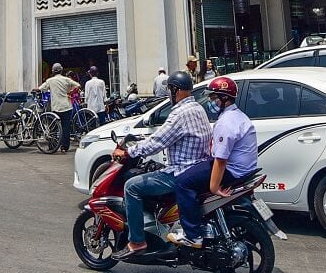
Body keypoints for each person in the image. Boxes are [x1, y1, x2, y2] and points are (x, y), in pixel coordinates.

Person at [111, 70, 212, 261]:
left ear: (176, 90)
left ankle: (137, 242)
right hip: (198, 168)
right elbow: (162, 136)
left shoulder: (180, 113)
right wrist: (141, 141)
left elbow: (157, 141)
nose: (168, 94)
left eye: (170, 90)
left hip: (181, 171)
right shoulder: (197, 108)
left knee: (131, 186)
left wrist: (127, 152)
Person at [166, 75, 258, 248]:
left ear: (224, 98)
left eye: (213, 98)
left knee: (183, 182)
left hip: (232, 170)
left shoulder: (226, 123)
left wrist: (214, 188)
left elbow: (221, 160)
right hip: (244, 169)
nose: (210, 102)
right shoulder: (238, 116)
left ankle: (192, 235)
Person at [36, 63, 81, 153]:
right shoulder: (66, 79)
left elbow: (40, 89)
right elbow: (78, 85)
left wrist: (35, 89)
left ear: (53, 71)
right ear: (61, 70)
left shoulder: (50, 80)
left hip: (56, 107)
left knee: (53, 128)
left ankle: (52, 145)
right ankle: (64, 147)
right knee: (66, 128)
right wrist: (71, 93)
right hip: (66, 106)